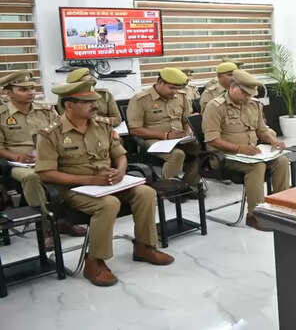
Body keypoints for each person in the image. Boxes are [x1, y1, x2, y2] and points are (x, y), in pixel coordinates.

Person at [36, 80, 174, 287]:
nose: (95, 105)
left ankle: (144, 247)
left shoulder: (102, 125)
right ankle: (95, 261)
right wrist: (90, 180)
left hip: (109, 183)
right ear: (69, 105)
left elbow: (120, 155)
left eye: (95, 101)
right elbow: (46, 173)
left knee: (145, 192)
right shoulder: (51, 133)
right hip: (75, 189)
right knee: (109, 204)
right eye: (87, 102)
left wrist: (120, 171)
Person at [0, 71, 86, 238]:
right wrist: (16, 157)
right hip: (19, 162)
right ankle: (47, 226)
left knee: (77, 166)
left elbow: (62, 132)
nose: (30, 92)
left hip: (49, 156)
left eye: (32, 88)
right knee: (32, 177)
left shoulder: (46, 110)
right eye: (23, 89)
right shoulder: (2, 115)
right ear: (8, 92)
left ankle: (65, 220)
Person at [202, 69, 290, 231]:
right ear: (232, 87)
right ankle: (255, 215)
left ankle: (281, 208)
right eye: (245, 93)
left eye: (250, 94)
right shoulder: (215, 106)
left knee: (282, 161)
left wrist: (273, 141)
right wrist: (239, 148)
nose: (248, 97)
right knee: (257, 166)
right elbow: (212, 140)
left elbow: (261, 130)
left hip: (251, 154)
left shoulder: (253, 104)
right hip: (225, 156)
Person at [127, 68, 200, 189]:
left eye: (177, 89)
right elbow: (135, 129)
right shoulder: (140, 99)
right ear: (160, 82)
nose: (175, 92)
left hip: (179, 138)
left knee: (203, 149)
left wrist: (188, 132)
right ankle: (169, 189)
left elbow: (186, 120)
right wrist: (166, 136)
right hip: (154, 140)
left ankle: (188, 185)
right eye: (171, 88)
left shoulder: (181, 96)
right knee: (177, 154)